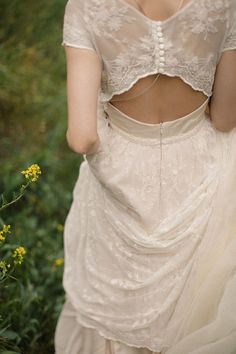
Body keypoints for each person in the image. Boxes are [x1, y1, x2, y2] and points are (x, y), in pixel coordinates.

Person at [54, 0, 236, 353]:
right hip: (199, 167)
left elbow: (82, 136)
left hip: (122, 165)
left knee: (115, 303)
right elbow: (225, 118)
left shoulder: (86, 6)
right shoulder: (224, 4)